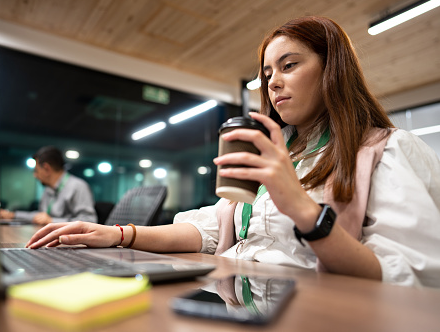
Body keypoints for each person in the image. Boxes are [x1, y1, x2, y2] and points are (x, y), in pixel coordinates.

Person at [25, 16, 440, 287]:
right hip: (243, 299)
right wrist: (116, 236)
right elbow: (209, 229)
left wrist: (300, 207)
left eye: (289, 65)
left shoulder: (387, 150)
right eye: (267, 73)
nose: (273, 82)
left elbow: (412, 279)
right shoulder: (277, 157)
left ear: (332, 68)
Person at [0, 146, 97, 224]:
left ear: (46, 168)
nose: (35, 175)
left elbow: (90, 221)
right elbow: (41, 217)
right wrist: (13, 215)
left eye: (36, 171)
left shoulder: (78, 186)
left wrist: (52, 221)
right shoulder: (49, 189)